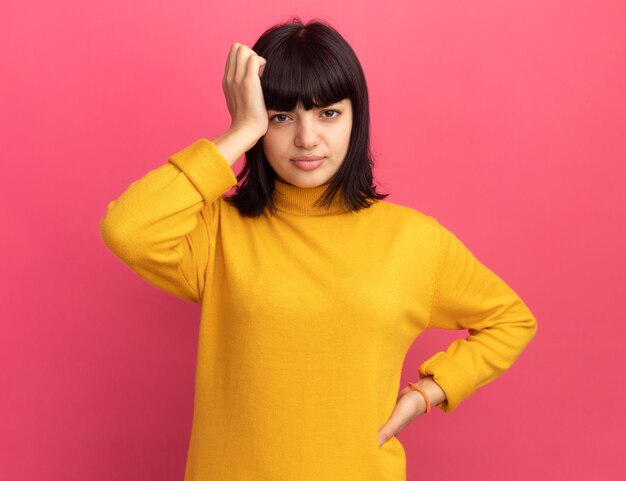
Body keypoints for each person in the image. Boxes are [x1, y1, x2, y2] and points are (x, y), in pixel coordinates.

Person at [99, 17, 538, 481]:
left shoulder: (413, 241)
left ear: (356, 118)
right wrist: (240, 131)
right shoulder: (218, 233)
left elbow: (510, 320)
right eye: (281, 117)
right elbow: (127, 230)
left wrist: (429, 392)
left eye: (328, 113)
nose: (306, 138)